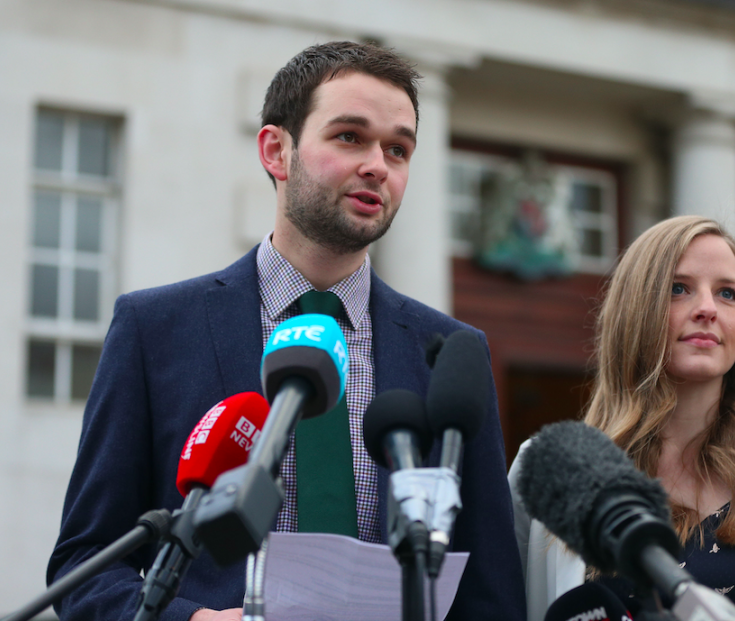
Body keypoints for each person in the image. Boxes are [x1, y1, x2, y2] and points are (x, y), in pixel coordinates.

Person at [48, 41, 526, 621]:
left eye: (398, 149)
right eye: (349, 136)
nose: (378, 163)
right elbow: (84, 567)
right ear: (277, 150)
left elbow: (493, 590)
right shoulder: (155, 330)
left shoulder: (451, 353)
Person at [508, 216, 735, 621]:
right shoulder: (550, 470)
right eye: (679, 289)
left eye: (727, 294)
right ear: (636, 311)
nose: (707, 309)